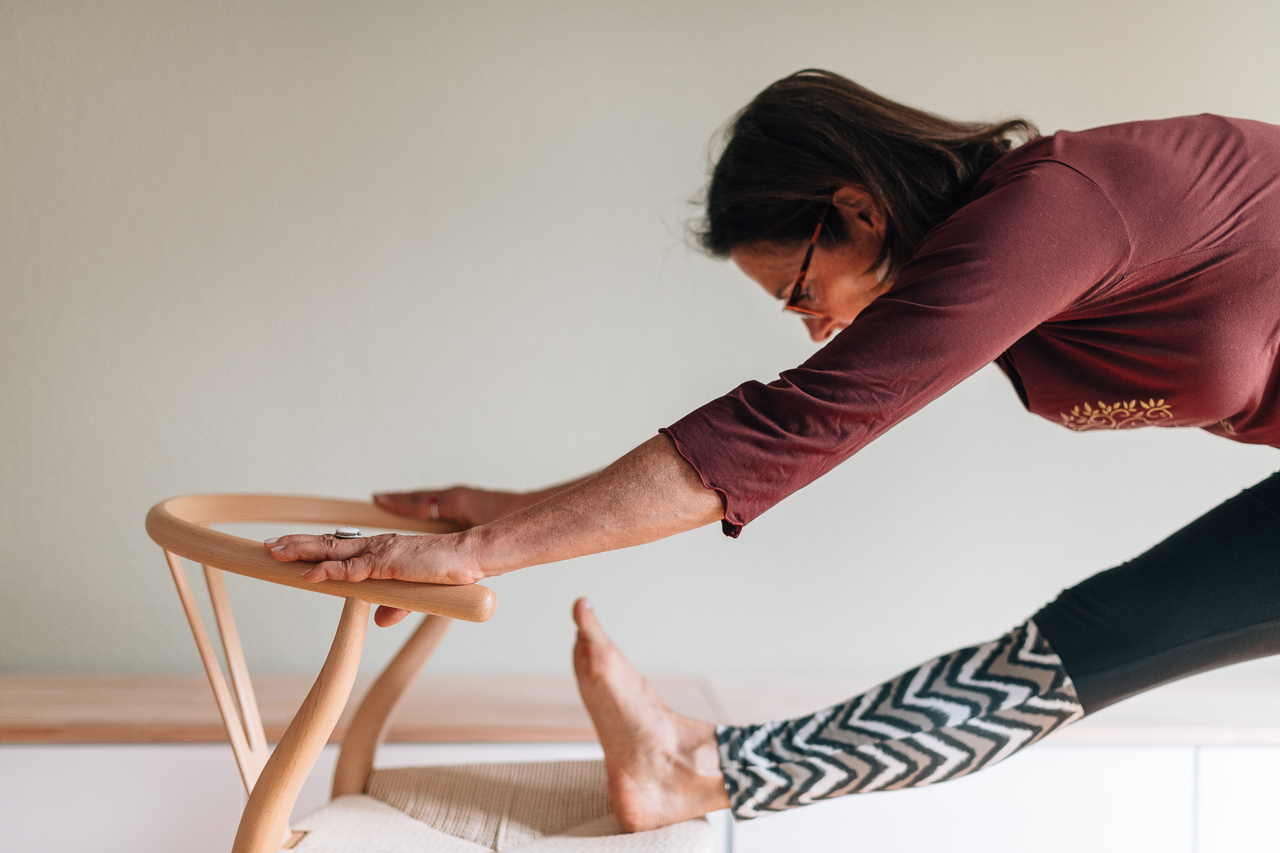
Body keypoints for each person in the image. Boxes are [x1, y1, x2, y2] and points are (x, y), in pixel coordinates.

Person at [265, 69, 1280, 830]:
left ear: (854, 208)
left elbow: (792, 425)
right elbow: (787, 427)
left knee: (1085, 644)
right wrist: (499, 516)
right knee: (1074, 645)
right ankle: (686, 768)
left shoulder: (1056, 208)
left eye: (798, 289)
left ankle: (686, 769)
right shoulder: (1002, 252)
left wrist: (479, 553)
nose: (812, 325)